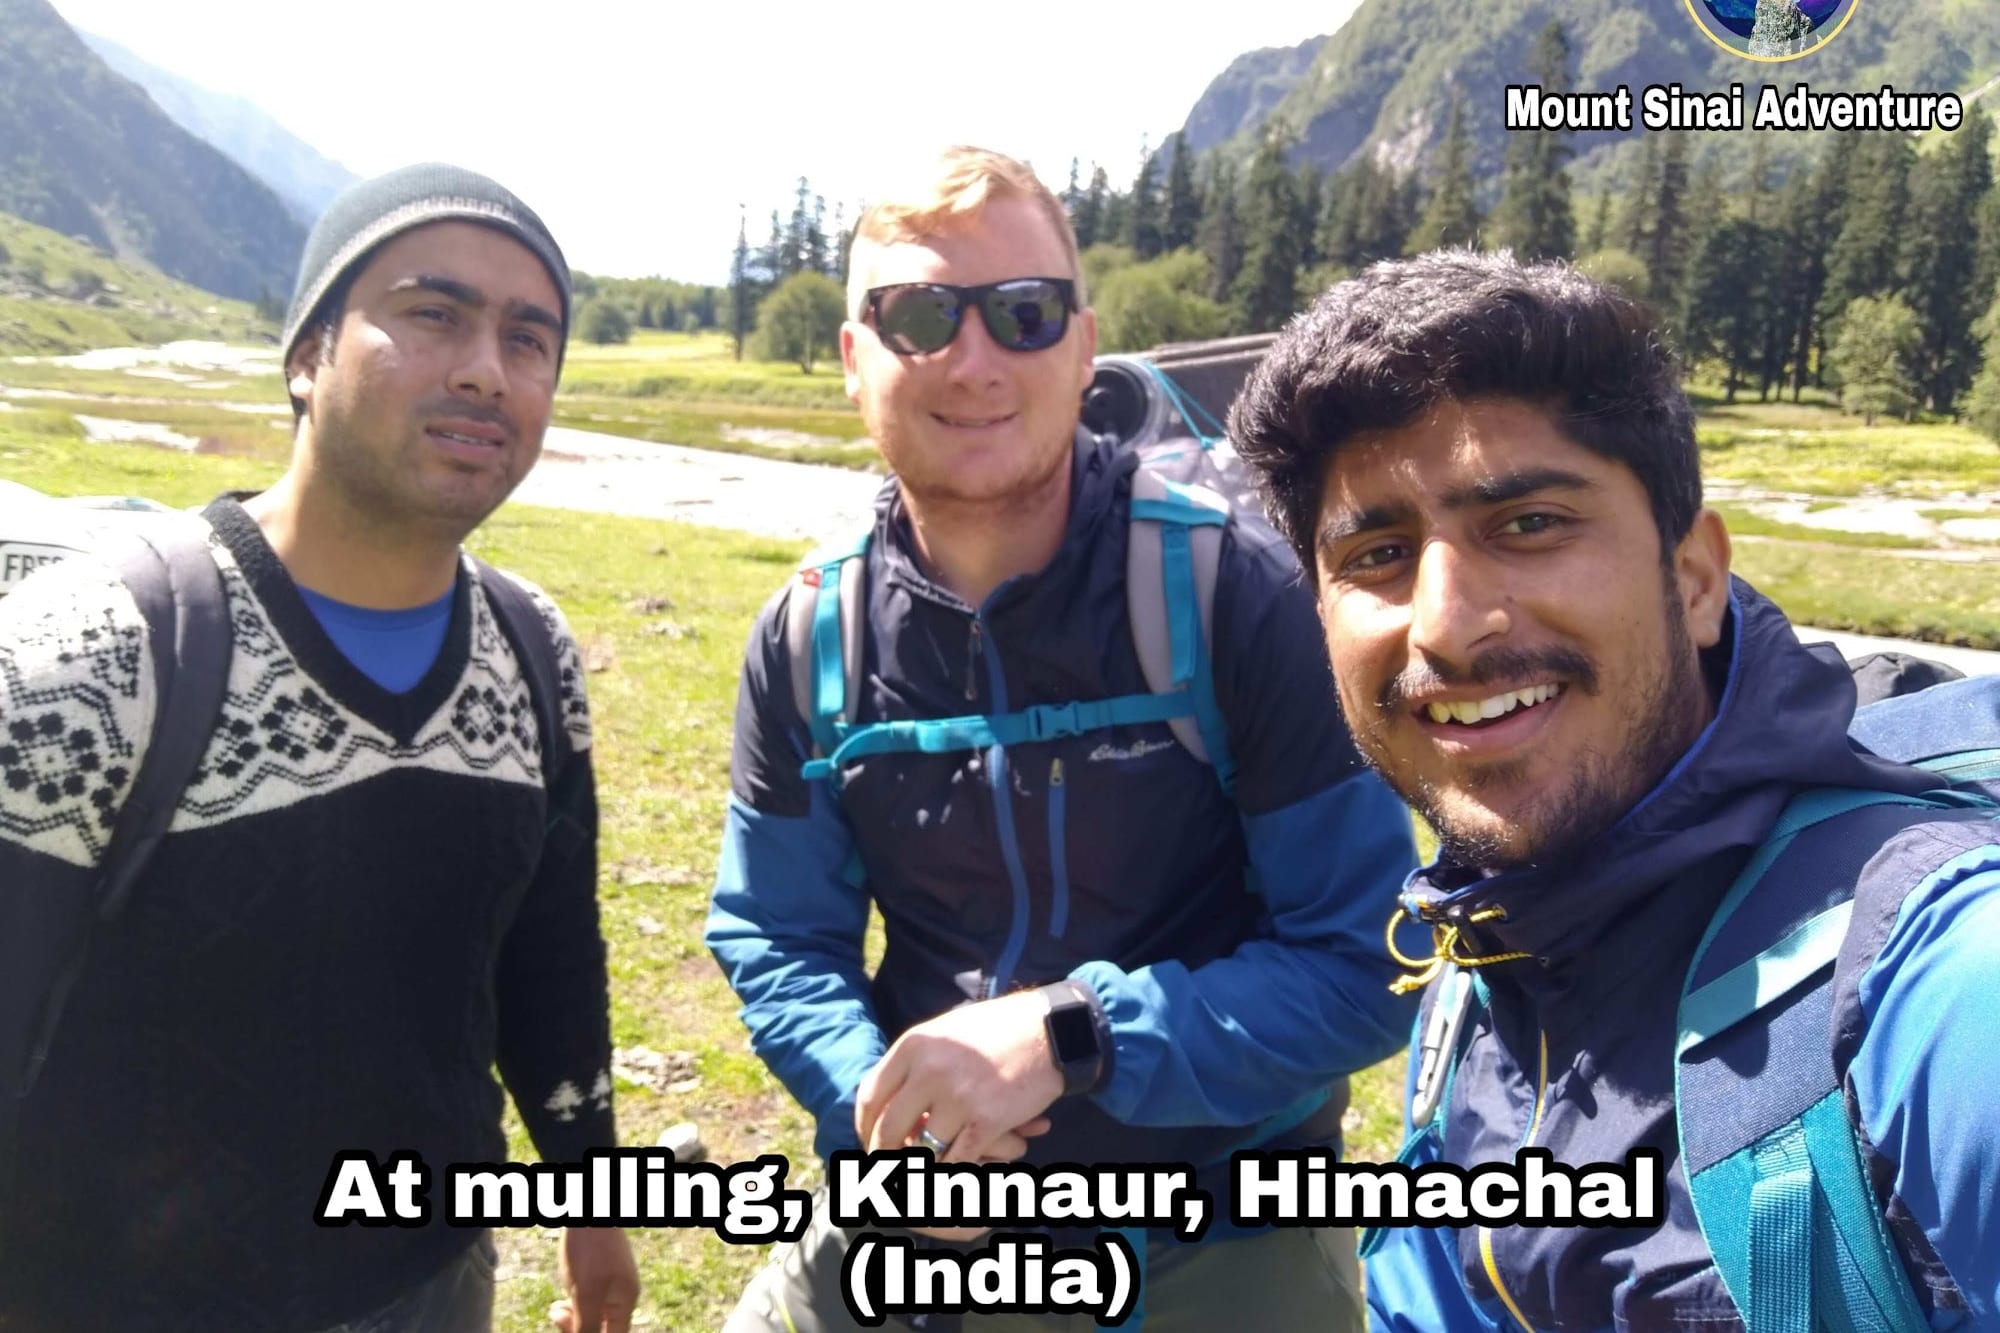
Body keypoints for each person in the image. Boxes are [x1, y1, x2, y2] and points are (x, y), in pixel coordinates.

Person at [705, 145, 1418, 1332]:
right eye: (918, 315)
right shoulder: (806, 640)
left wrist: (1070, 1035)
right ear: (851, 360)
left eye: (1023, 314)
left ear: (1083, 347)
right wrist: (890, 1116)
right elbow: (776, 938)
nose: (972, 358)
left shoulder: (1230, 598)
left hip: (1216, 1213)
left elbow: (1365, 958)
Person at [1228, 249, 2000, 1331]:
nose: (1445, 626)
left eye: (1529, 523)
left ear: (1691, 579)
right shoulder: (1480, 953)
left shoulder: (1943, 996)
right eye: (1379, 553)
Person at [0, 164, 639, 1332]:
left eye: (529, 337)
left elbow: (546, 954)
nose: (484, 368)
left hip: (432, 1286)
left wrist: (591, 1197)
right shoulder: (100, 649)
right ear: (307, 355)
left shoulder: (530, 652)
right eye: (432, 312)